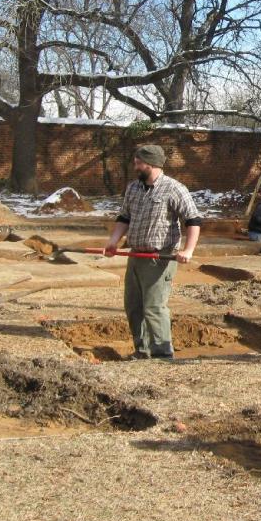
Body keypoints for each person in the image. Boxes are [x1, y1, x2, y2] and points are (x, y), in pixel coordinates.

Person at [104, 144, 202, 360]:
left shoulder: (174, 188)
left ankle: (162, 354)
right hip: (136, 256)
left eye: (138, 163)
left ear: (151, 164)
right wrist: (113, 241)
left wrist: (188, 250)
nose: (135, 166)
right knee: (133, 306)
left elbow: (193, 220)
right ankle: (142, 350)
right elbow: (124, 218)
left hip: (159, 258)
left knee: (154, 307)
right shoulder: (134, 188)